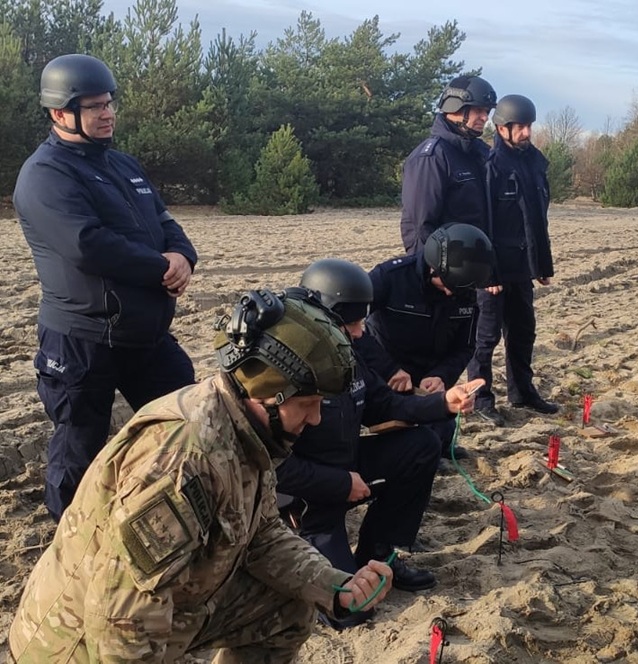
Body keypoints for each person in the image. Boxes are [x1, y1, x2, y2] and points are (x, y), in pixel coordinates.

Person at [8, 288, 393, 662]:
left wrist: (332, 585)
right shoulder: (181, 463)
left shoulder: (247, 430)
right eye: (307, 404)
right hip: (78, 645)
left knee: (289, 606)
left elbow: (261, 536)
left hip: (164, 605)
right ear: (265, 394)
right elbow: (121, 622)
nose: (316, 418)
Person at [14, 54, 198, 521]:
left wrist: (182, 256)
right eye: (93, 106)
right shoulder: (46, 174)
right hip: (83, 339)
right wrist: (161, 267)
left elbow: (163, 220)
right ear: (60, 113)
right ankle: (68, 548)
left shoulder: (124, 165)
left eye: (108, 103)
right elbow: (87, 245)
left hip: (145, 335)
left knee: (189, 424)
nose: (107, 113)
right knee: (79, 446)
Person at [275, 259, 485, 630]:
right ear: (322, 318)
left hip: (345, 464)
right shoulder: (278, 373)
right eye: (352, 323)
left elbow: (382, 404)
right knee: (354, 611)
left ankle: (379, 551)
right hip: (307, 497)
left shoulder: (344, 352)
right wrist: (341, 485)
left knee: (421, 445)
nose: (360, 333)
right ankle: (304, 545)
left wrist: (443, 403)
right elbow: (274, 469)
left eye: (361, 322)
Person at [362, 224, 494, 456]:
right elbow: (350, 329)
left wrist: (441, 376)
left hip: (430, 379)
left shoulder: (465, 290)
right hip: (385, 375)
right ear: (433, 268)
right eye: (448, 286)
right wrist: (389, 369)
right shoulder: (390, 278)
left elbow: (465, 347)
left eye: (459, 288)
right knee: (411, 444)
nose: (451, 294)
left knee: (440, 432)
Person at [467, 94, 558, 427]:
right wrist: (486, 272)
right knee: (486, 337)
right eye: (520, 126)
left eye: (530, 126)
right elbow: (481, 222)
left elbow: (537, 220)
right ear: (502, 128)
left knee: (523, 332)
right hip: (493, 269)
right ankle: (481, 398)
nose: (526, 133)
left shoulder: (535, 162)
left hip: (522, 267)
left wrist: (542, 266)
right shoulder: (490, 165)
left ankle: (522, 392)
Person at [399, 75, 497, 254]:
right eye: (478, 110)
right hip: (450, 267)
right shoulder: (431, 158)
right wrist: (430, 271)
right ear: (455, 106)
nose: (484, 118)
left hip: (481, 262)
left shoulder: (482, 153)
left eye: (487, 112)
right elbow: (419, 226)